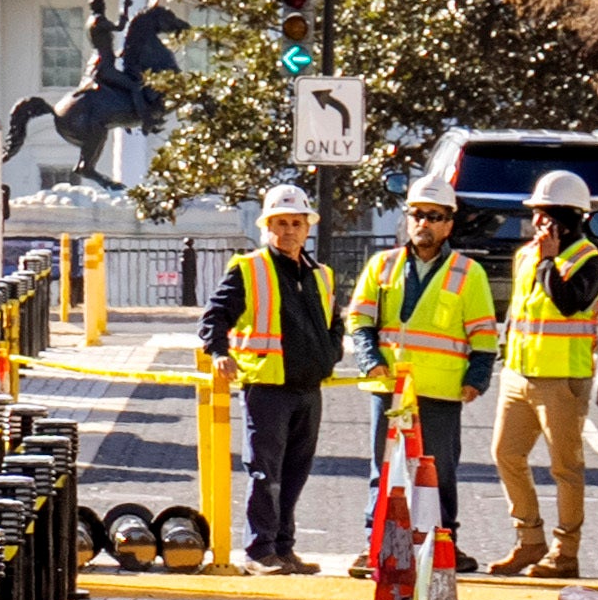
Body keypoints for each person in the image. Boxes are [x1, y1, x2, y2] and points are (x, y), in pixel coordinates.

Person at [348, 173, 500, 548]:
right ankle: (376, 547)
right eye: (417, 214)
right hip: (390, 389)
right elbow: (360, 318)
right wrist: (369, 358)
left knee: (438, 473)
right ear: (407, 218)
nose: (424, 223)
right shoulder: (382, 265)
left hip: (441, 391)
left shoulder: (469, 273)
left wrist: (477, 378)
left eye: (434, 216)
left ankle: (443, 546)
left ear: (448, 224)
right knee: (385, 470)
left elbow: (484, 336)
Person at [202, 183, 347, 574]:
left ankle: (283, 549)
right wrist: (219, 352)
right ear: (267, 227)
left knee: (295, 473)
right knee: (266, 472)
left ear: (307, 228)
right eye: (281, 223)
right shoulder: (249, 269)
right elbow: (215, 315)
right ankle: (259, 550)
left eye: (296, 223)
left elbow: (336, 322)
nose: (289, 231)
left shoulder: (322, 275)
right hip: (267, 388)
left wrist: (330, 353)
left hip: (307, 387)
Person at [494, 167, 598, 577]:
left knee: (565, 468)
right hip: (519, 374)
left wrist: (547, 261)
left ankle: (565, 552)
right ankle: (530, 541)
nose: (537, 221)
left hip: (562, 380)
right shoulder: (526, 254)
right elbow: (519, 311)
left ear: (569, 219)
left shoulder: (591, 261)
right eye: (536, 213)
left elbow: (568, 302)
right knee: (505, 454)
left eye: (545, 214)